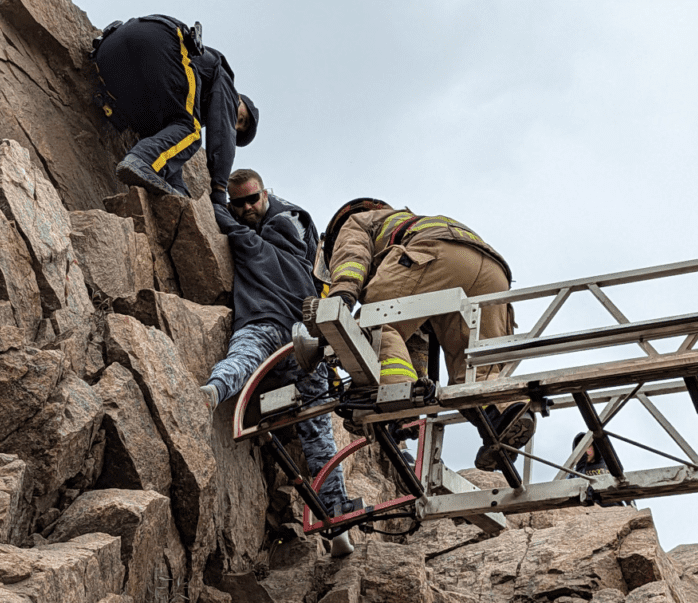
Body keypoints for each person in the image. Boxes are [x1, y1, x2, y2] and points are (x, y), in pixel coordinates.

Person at [316, 199, 536, 472]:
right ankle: (503, 415)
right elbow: (416, 344)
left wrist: (342, 295)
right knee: (474, 373)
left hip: (436, 254)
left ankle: (393, 396)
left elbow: (352, 254)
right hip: (493, 271)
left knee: (373, 325)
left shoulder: (357, 221)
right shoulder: (411, 222)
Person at [200, 169, 353, 557]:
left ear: (266, 195)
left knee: (245, 358)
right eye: (242, 203)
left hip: (281, 332)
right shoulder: (295, 239)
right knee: (318, 432)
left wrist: (221, 202)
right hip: (301, 339)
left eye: (254, 200)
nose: (249, 208)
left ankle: (214, 390)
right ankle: (337, 526)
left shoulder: (250, 238)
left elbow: (218, 213)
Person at [91, 15, 258, 199]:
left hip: (109, 52)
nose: (235, 123)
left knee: (170, 133)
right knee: (191, 131)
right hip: (157, 40)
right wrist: (219, 191)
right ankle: (142, 160)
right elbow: (222, 132)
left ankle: (161, 180)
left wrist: (180, 196)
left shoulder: (178, 105)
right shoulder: (223, 79)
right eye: (241, 118)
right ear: (238, 98)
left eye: (238, 128)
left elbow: (166, 145)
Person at [568, 432, 627, 507]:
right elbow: (566, 491)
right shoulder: (574, 473)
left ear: (594, 446)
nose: (585, 451)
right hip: (589, 512)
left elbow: (624, 484)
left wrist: (631, 506)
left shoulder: (609, 465)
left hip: (614, 509)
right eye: (580, 448)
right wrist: (581, 468)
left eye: (588, 446)